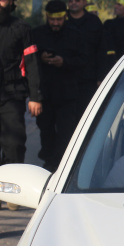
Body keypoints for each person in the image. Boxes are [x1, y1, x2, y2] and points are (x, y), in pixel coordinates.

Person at [33, 0, 88, 172]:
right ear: (47, 17)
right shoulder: (37, 34)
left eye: (59, 19)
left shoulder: (75, 35)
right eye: (52, 20)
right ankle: (49, 164)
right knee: (46, 131)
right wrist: (41, 58)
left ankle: (64, 166)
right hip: (45, 93)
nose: (55, 23)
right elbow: (29, 62)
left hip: (67, 94)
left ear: (65, 17)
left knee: (66, 133)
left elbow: (83, 61)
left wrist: (64, 62)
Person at [0, 0, 43, 210]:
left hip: (12, 94)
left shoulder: (21, 28)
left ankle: (10, 189)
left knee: (14, 144)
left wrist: (35, 96)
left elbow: (32, 64)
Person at [66, 0, 104, 116]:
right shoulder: (62, 20)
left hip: (89, 78)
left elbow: (101, 50)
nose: (74, 3)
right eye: (70, 1)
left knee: (87, 114)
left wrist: (101, 76)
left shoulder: (94, 22)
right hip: (65, 79)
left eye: (77, 0)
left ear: (84, 2)